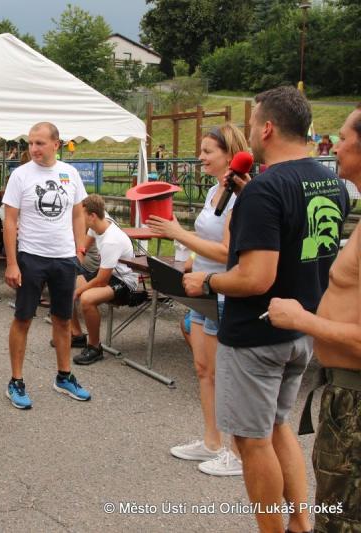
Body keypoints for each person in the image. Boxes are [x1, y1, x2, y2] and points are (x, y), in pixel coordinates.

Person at [183, 86, 349, 533]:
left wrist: (206, 281)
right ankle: (300, 525)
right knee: (278, 427)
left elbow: (255, 277)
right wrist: (251, 195)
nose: (251, 132)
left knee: (251, 441)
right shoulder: (332, 182)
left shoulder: (266, 189)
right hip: (301, 329)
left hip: (256, 333)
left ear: (269, 128)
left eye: (254, 123)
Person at [267, 104, 361, 533]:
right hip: (343, 392)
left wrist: (302, 319)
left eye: (343, 138)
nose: (334, 148)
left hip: (355, 400)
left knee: (341, 521)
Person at [146, 123, 249, 476]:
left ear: (229, 154)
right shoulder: (214, 191)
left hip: (223, 292)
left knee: (226, 376)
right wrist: (184, 250)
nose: (200, 157)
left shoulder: (240, 197)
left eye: (207, 151)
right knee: (204, 370)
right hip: (202, 291)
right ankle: (211, 441)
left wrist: (179, 234)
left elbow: (228, 252)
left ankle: (237, 453)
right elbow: (207, 241)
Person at [2, 121, 91, 409]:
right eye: (30, 143)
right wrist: (12, 262)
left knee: (63, 318)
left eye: (39, 143)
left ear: (56, 144)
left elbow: (78, 214)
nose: (33, 148)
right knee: (23, 318)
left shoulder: (70, 173)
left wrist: (79, 249)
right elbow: (10, 221)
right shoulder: (20, 175)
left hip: (64, 258)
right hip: (31, 256)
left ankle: (64, 376)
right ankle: (16, 381)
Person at [73, 194, 139, 364]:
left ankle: (95, 347)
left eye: (81, 216)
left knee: (86, 299)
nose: (79, 219)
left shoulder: (111, 240)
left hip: (125, 282)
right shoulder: (97, 225)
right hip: (108, 275)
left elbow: (102, 281)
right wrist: (72, 268)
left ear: (92, 216)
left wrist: (78, 292)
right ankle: (76, 335)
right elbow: (83, 249)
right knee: (64, 284)